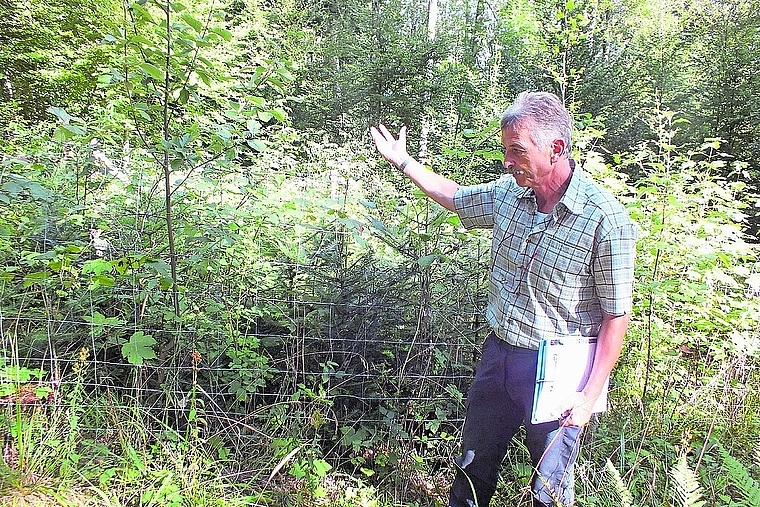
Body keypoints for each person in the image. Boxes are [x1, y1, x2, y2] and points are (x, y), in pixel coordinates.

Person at [370, 91, 637, 507]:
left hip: (559, 374)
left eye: (517, 150)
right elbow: (454, 197)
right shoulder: (509, 195)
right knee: (473, 470)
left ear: (557, 148)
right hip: (498, 357)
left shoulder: (605, 219)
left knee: (548, 490)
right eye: (505, 150)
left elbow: (615, 316)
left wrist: (589, 395)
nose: (507, 162)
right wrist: (404, 162)